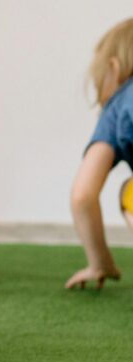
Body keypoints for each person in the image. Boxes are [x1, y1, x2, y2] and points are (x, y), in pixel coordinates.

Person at [66, 18, 133, 290]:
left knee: (129, 191)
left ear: (114, 68)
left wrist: (100, 262)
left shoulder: (118, 104)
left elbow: (83, 195)